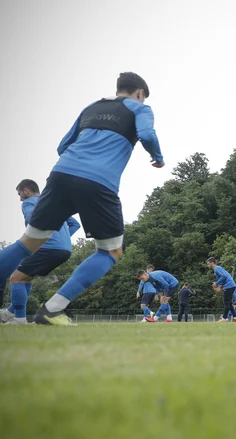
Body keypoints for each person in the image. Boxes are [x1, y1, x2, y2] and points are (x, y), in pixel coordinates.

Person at [0, 72, 163, 326]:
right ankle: (53, 309)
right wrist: (158, 157)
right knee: (111, 251)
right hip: (98, 182)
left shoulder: (92, 106)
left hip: (60, 175)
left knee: (25, 244)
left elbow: (63, 146)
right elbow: (148, 135)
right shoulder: (141, 108)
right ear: (140, 93)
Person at [0, 179, 80, 324]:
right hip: (65, 250)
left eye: (19, 194)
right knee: (25, 278)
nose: (20, 199)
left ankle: (19, 319)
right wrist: (62, 238)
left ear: (26, 190)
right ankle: (9, 313)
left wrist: (38, 237)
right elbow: (75, 224)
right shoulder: (54, 203)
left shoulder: (29, 202)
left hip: (48, 247)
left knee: (15, 278)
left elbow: (32, 217)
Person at [207, 257, 236, 322]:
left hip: (229, 286)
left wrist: (216, 283)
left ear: (212, 263)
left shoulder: (216, 268)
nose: (208, 265)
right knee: (229, 303)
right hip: (230, 285)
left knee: (226, 303)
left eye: (208, 264)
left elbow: (224, 276)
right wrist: (220, 287)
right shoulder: (218, 268)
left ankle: (224, 318)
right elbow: (224, 278)